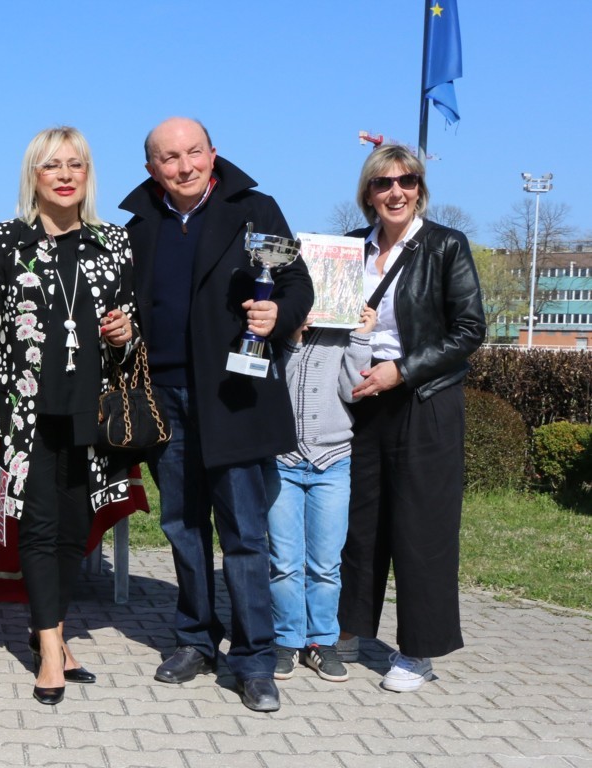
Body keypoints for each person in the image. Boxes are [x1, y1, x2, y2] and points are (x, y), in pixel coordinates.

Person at [119, 117, 313, 712]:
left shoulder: (255, 210)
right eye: (170, 158)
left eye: (194, 153)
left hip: (233, 395)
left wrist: (275, 315)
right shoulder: (139, 225)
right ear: (152, 166)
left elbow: (297, 282)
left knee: (245, 535)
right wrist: (121, 327)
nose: (184, 166)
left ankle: (254, 659)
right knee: (182, 525)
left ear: (213, 153)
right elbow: (127, 298)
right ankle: (195, 639)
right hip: (166, 397)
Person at [0, 126, 136, 706]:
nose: (65, 175)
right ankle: (47, 647)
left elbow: (131, 334)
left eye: (76, 165)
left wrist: (126, 333)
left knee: (73, 531)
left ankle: (58, 631)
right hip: (26, 416)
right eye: (52, 166)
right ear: (33, 176)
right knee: (37, 529)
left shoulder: (114, 243)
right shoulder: (1, 243)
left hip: (92, 415)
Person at [337, 144, 486, 692]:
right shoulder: (350, 250)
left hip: (423, 398)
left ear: (420, 188)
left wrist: (401, 371)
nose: (395, 191)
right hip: (360, 392)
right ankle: (349, 627)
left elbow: (469, 330)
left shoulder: (447, 245)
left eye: (407, 181)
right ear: (368, 193)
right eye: (383, 183)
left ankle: (418, 651)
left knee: (422, 527)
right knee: (360, 519)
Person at [265, 308, 376, 684]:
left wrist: (362, 336)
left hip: (333, 462)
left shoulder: (344, 333)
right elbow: (275, 388)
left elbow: (352, 392)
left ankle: (321, 642)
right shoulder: (281, 331)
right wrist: (293, 339)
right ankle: (286, 640)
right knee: (284, 560)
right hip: (282, 461)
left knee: (326, 563)